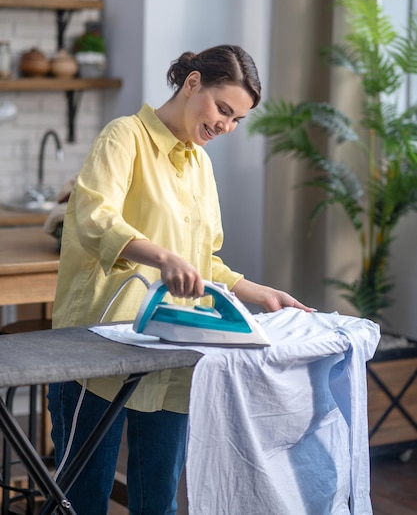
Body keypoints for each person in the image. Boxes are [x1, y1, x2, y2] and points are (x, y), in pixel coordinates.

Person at [48, 44, 313, 515]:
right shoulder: (123, 137)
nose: (225, 126)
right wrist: (161, 257)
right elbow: (92, 219)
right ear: (192, 83)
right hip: (97, 354)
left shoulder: (200, 165)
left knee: (159, 503)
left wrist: (259, 293)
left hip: (170, 355)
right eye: (222, 109)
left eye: (236, 120)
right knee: (82, 502)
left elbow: (203, 261)